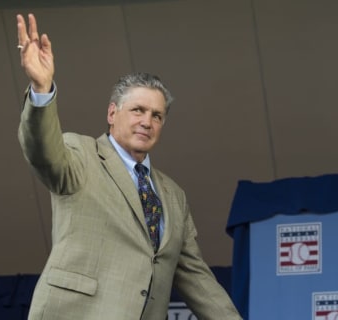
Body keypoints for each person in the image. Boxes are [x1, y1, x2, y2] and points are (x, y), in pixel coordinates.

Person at [16, 13, 242, 320]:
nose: (147, 122)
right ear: (112, 113)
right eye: (138, 110)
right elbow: (42, 150)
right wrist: (42, 90)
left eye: (157, 115)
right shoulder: (81, 154)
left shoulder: (174, 196)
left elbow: (198, 280)